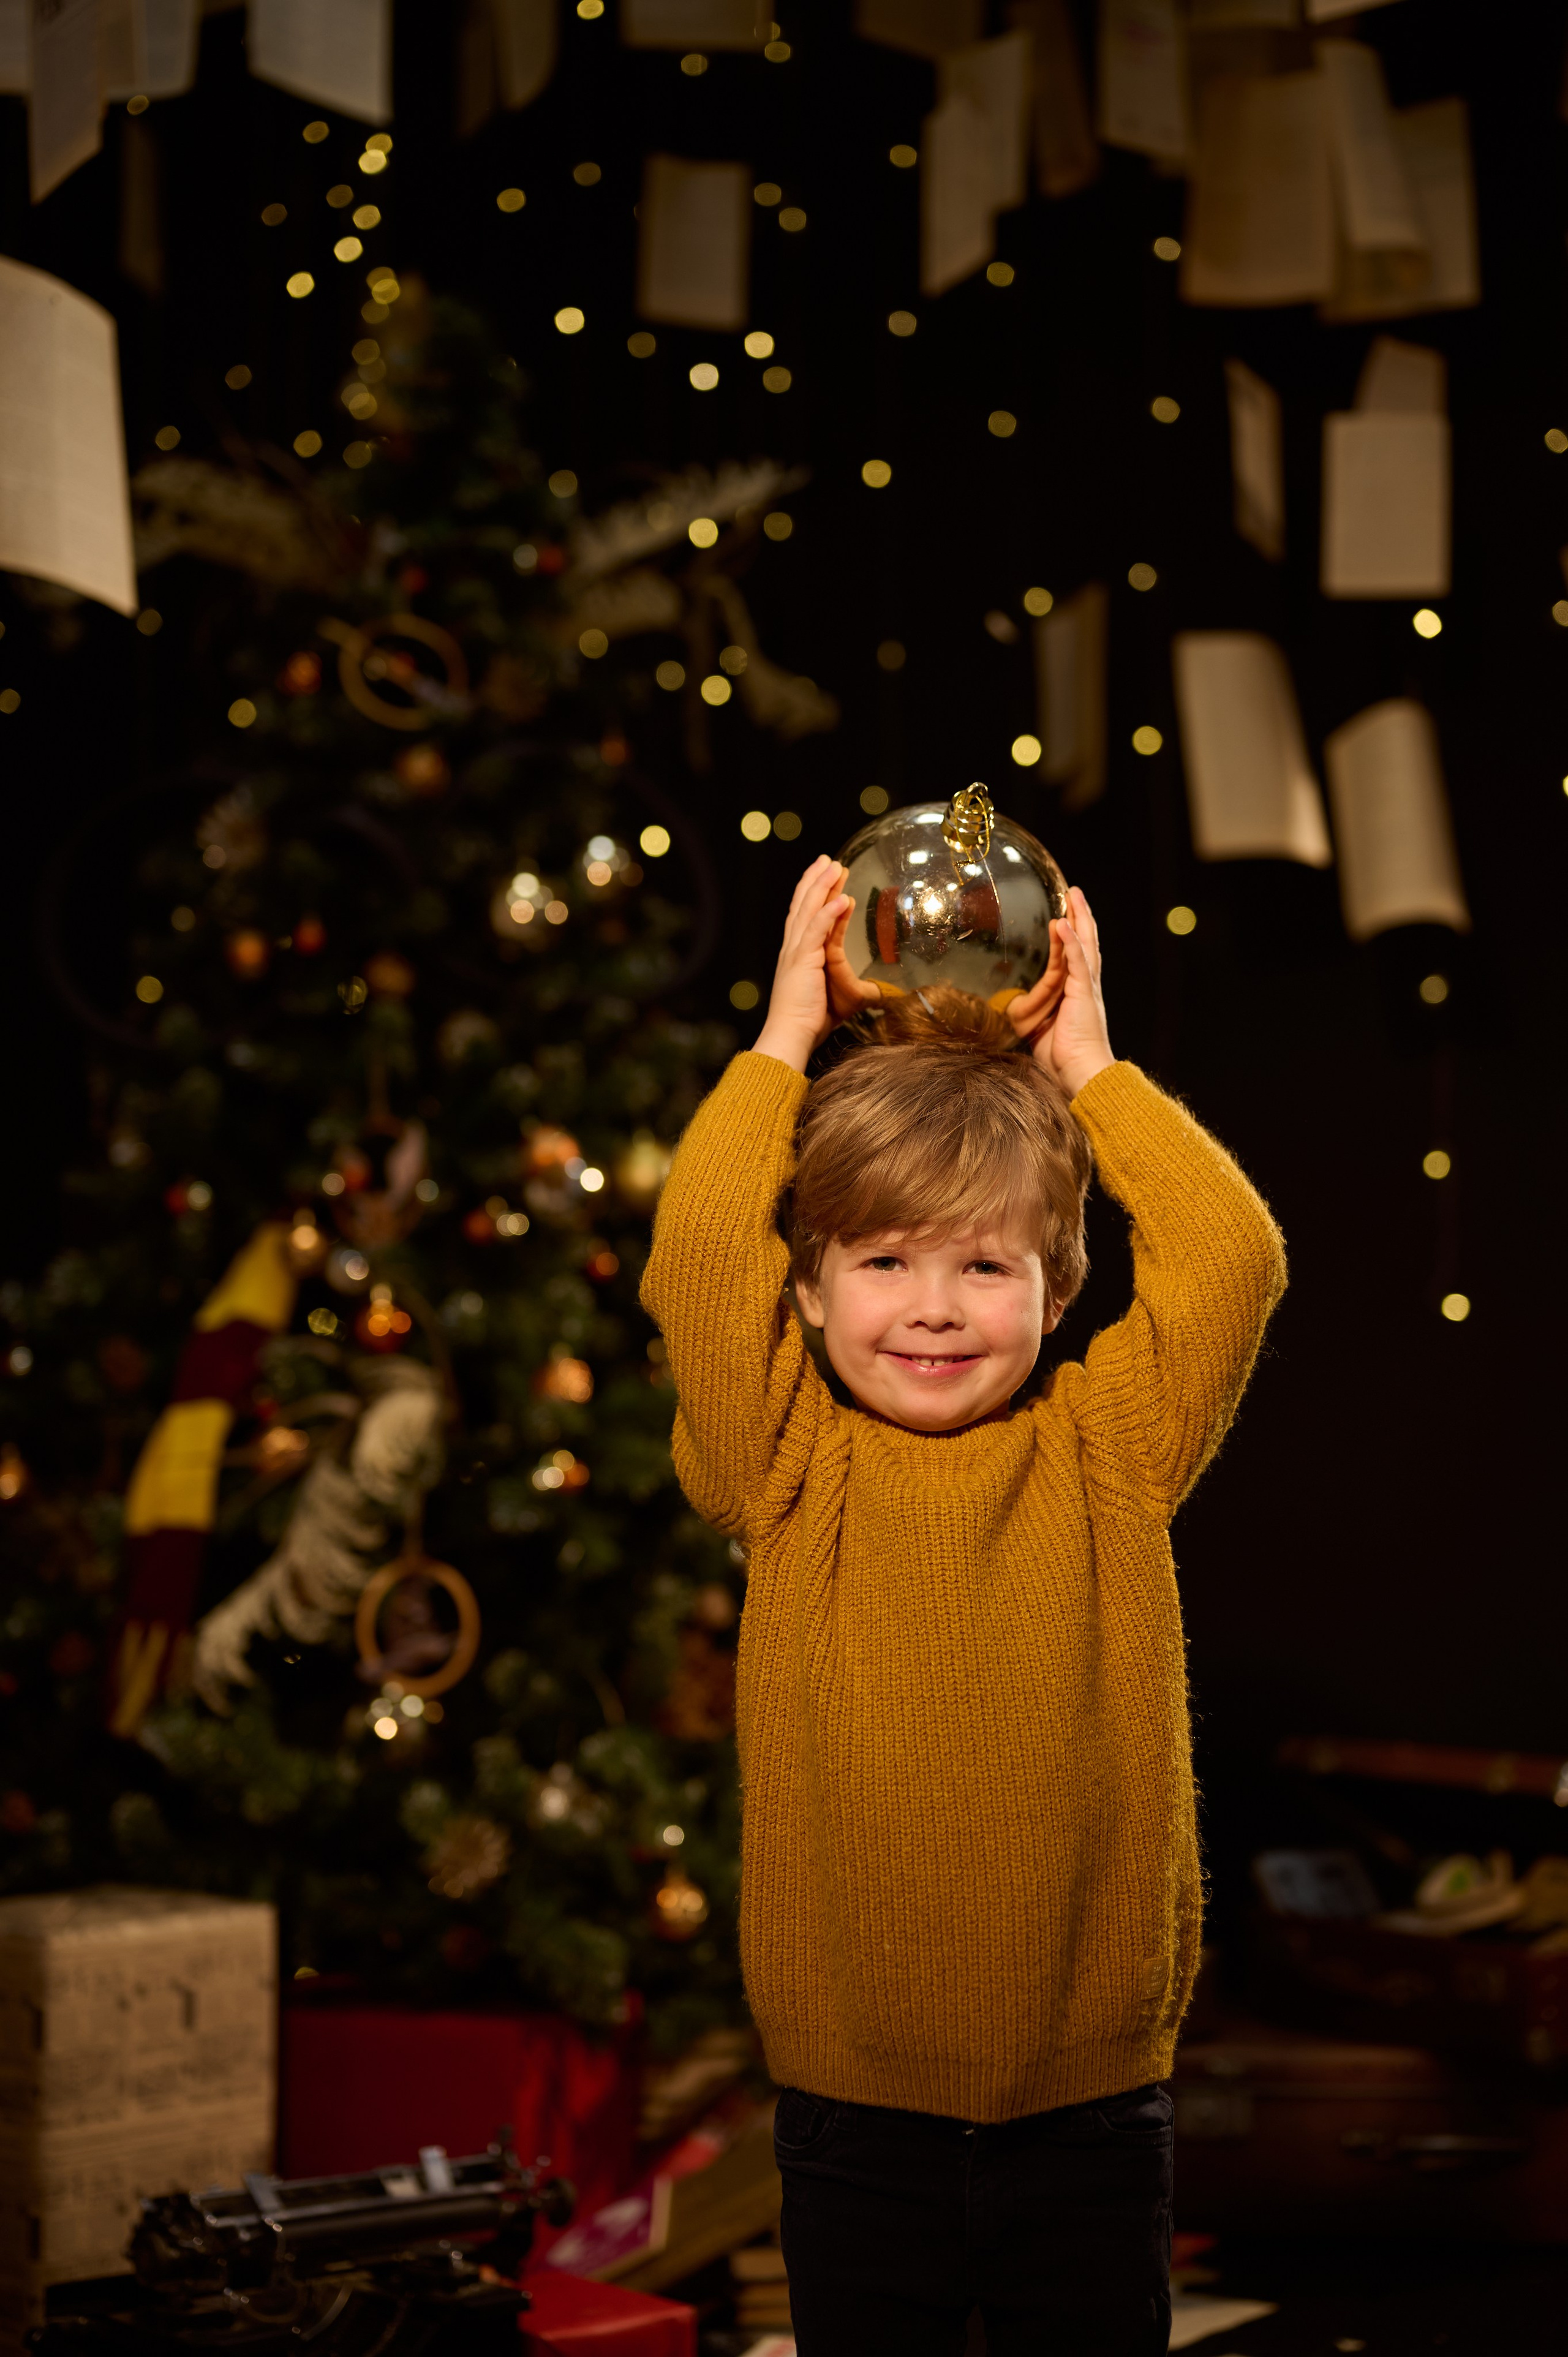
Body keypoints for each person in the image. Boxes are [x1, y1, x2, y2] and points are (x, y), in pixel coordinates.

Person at [641, 856, 1286, 2355]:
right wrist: (780, 1038)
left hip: (1090, 2105)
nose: (931, 1304)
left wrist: (1091, 1070)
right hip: (853, 2108)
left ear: (1058, 1289)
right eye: (880, 1261)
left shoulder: (1108, 1446)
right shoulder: (783, 1463)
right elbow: (690, 1264)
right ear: (805, 1287)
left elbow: (1232, 1263)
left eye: (983, 1264)